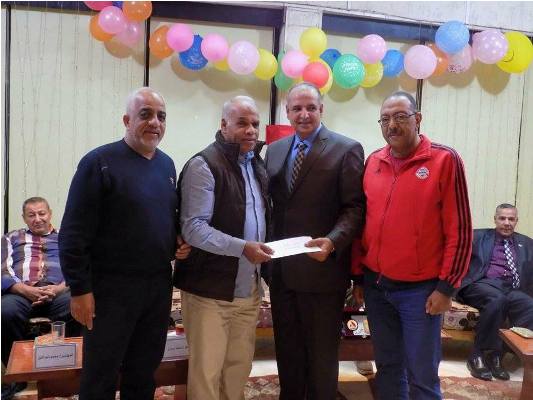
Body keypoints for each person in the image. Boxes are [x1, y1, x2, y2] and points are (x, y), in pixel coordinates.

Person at [59, 87, 190, 400]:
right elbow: (73, 233)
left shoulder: (167, 165)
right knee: (100, 374)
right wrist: (79, 290)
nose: (155, 122)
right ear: (127, 120)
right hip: (109, 290)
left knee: (144, 371)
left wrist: (176, 240)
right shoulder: (98, 163)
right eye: (145, 114)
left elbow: (160, 216)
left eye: (161, 116)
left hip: (157, 287)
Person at [352, 91, 472, 400]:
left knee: (422, 374)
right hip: (377, 287)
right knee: (388, 367)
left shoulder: (445, 160)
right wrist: (359, 277)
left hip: (420, 293)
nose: (392, 125)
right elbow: (364, 223)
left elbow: (460, 230)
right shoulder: (373, 161)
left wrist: (446, 288)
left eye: (400, 117)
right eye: (385, 119)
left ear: (417, 119)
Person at [265, 82, 365, 399]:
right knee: (288, 351)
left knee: (322, 357)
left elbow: (354, 208)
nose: (304, 114)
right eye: (297, 108)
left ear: (322, 109)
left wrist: (333, 242)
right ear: (287, 112)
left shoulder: (346, 149)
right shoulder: (275, 150)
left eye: (311, 107)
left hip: (323, 271)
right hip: (282, 273)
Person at [174, 96, 272, 400]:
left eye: (255, 123)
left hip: (248, 291)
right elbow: (193, 228)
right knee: (206, 375)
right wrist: (243, 248)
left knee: (237, 372)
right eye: (242, 123)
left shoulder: (256, 164)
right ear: (223, 125)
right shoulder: (204, 165)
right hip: (209, 293)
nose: (251, 130)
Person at [1, 197, 79, 400]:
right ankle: (16, 376)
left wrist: (59, 288)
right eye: (31, 215)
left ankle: (67, 374)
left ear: (50, 213)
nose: (37, 219)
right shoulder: (11, 238)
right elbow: (2, 268)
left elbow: (78, 267)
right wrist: (24, 289)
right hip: (21, 293)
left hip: (59, 292)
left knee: (77, 307)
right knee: (5, 312)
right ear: (24, 218)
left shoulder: (67, 237)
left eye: (41, 213)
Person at [457, 203, 533, 381]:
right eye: (502, 218)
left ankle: (498, 354)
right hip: (482, 283)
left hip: (511, 288)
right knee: (497, 300)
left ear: (516, 221)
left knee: (530, 306)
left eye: (511, 219)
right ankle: (477, 355)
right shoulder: (477, 237)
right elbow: (454, 254)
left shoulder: (527, 243)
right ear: (495, 219)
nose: (507, 223)